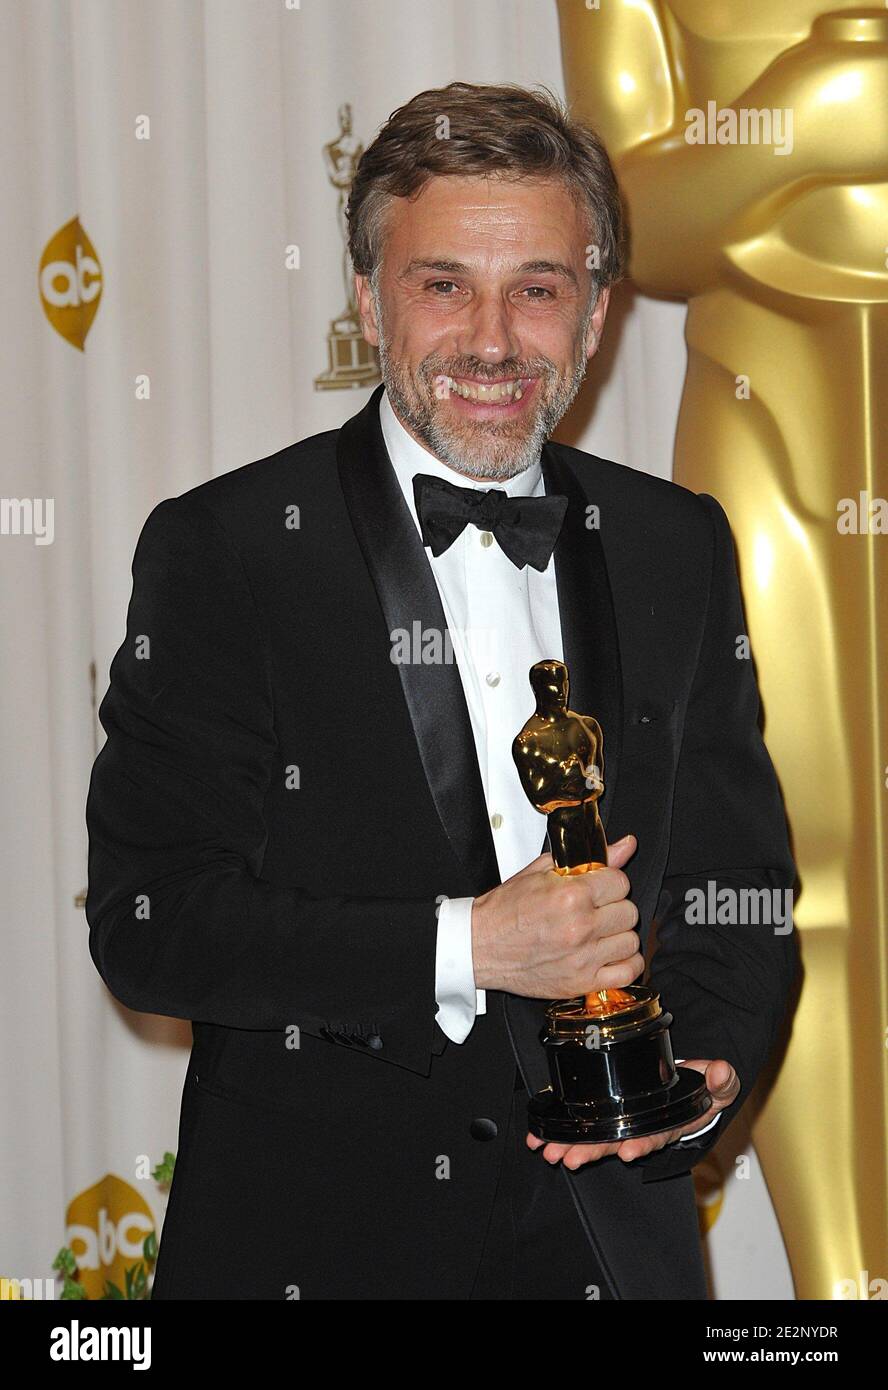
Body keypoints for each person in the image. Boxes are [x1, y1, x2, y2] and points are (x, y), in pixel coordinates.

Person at [85, 82, 798, 1300]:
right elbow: (153, 919)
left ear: (595, 310)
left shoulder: (675, 545)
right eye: (442, 285)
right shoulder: (233, 548)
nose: (491, 339)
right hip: (316, 1247)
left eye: (536, 287)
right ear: (368, 298)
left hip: (610, 1250)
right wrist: (471, 942)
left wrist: (710, 1074)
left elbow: (741, 890)